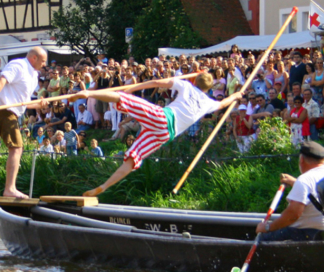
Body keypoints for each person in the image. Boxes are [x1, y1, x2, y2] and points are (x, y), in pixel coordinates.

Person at [76, 72, 241, 197]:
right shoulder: (209, 103)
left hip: (163, 117)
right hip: (166, 135)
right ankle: (104, 186)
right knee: (134, 157)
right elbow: (223, 103)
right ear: (208, 88)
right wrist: (236, 95)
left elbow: (155, 82)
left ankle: (89, 94)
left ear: (195, 81)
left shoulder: (186, 86)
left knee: (122, 98)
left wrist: (132, 88)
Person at [0, 47, 48, 198]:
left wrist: (38, 105)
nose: (44, 65)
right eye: (43, 61)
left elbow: (24, 102)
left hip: (13, 111)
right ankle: (10, 189)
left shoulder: (34, 75)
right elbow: (1, 80)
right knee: (16, 147)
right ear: (34, 58)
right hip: (3, 109)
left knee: (17, 148)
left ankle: (10, 188)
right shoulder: (18, 65)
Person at [255, 140, 324, 242]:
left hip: (306, 233)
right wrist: (295, 182)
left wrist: (267, 227)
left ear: (302, 160)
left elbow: (293, 215)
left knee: (263, 238)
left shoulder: (304, 180)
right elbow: (315, 191)